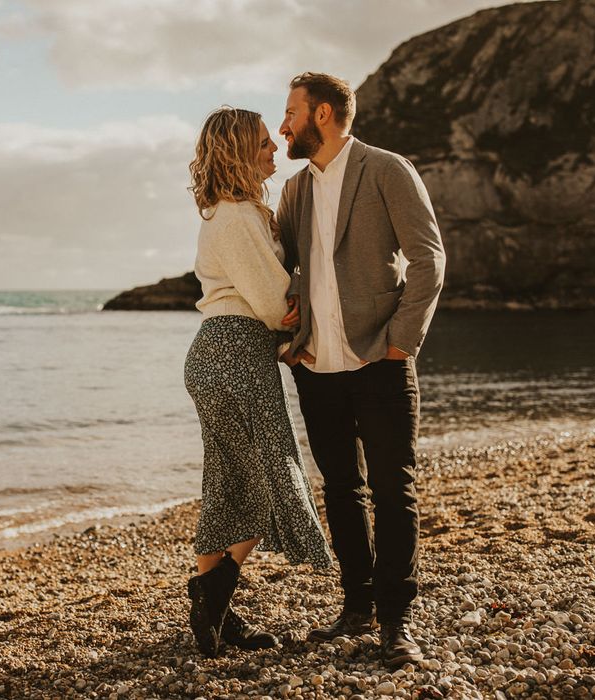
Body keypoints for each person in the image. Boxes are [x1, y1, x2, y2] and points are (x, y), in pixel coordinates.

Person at [276, 73, 445, 669]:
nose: (283, 125)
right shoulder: (293, 190)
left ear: (322, 114)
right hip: (316, 367)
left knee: (395, 490)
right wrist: (288, 340)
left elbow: (429, 257)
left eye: (291, 112)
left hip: (380, 360)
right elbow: (282, 273)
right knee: (342, 490)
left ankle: (397, 622)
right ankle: (357, 606)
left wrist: (403, 340)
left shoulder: (386, 168)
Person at [183, 106, 332, 659]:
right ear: (241, 152)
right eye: (264, 144)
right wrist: (292, 303)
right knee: (270, 478)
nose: (275, 150)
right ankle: (212, 599)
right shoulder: (240, 216)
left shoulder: (226, 213)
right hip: (236, 354)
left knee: (226, 480)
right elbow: (275, 306)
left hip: (219, 354)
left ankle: (217, 615)